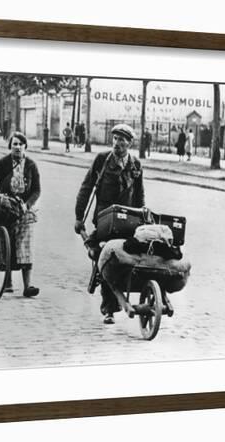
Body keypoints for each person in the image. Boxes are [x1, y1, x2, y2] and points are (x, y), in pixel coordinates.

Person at [74, 123, 145, 324]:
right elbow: (86, 187)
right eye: (115, 139)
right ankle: (109, 309)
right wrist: (79, 216)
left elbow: (139, 195)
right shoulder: (102, 160)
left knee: (132, 255)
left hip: (128, 221)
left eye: (122, 140)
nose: (117, 144)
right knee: (106, 256)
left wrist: (142, 219)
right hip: (105, 220)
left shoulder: (136, 164)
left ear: (129, 143)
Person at [0, 131, 41, 297]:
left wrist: (27, 205)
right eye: (15, 144)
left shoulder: (31, 166)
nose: (18, 147)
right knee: (6, 241)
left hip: (24, 208)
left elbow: (36, 190)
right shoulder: (3, 163)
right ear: (10, 146)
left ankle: (28, 286)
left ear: (25, 147)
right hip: (5, 206)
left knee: (25, 245)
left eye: (21, 144)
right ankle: (8, 281)